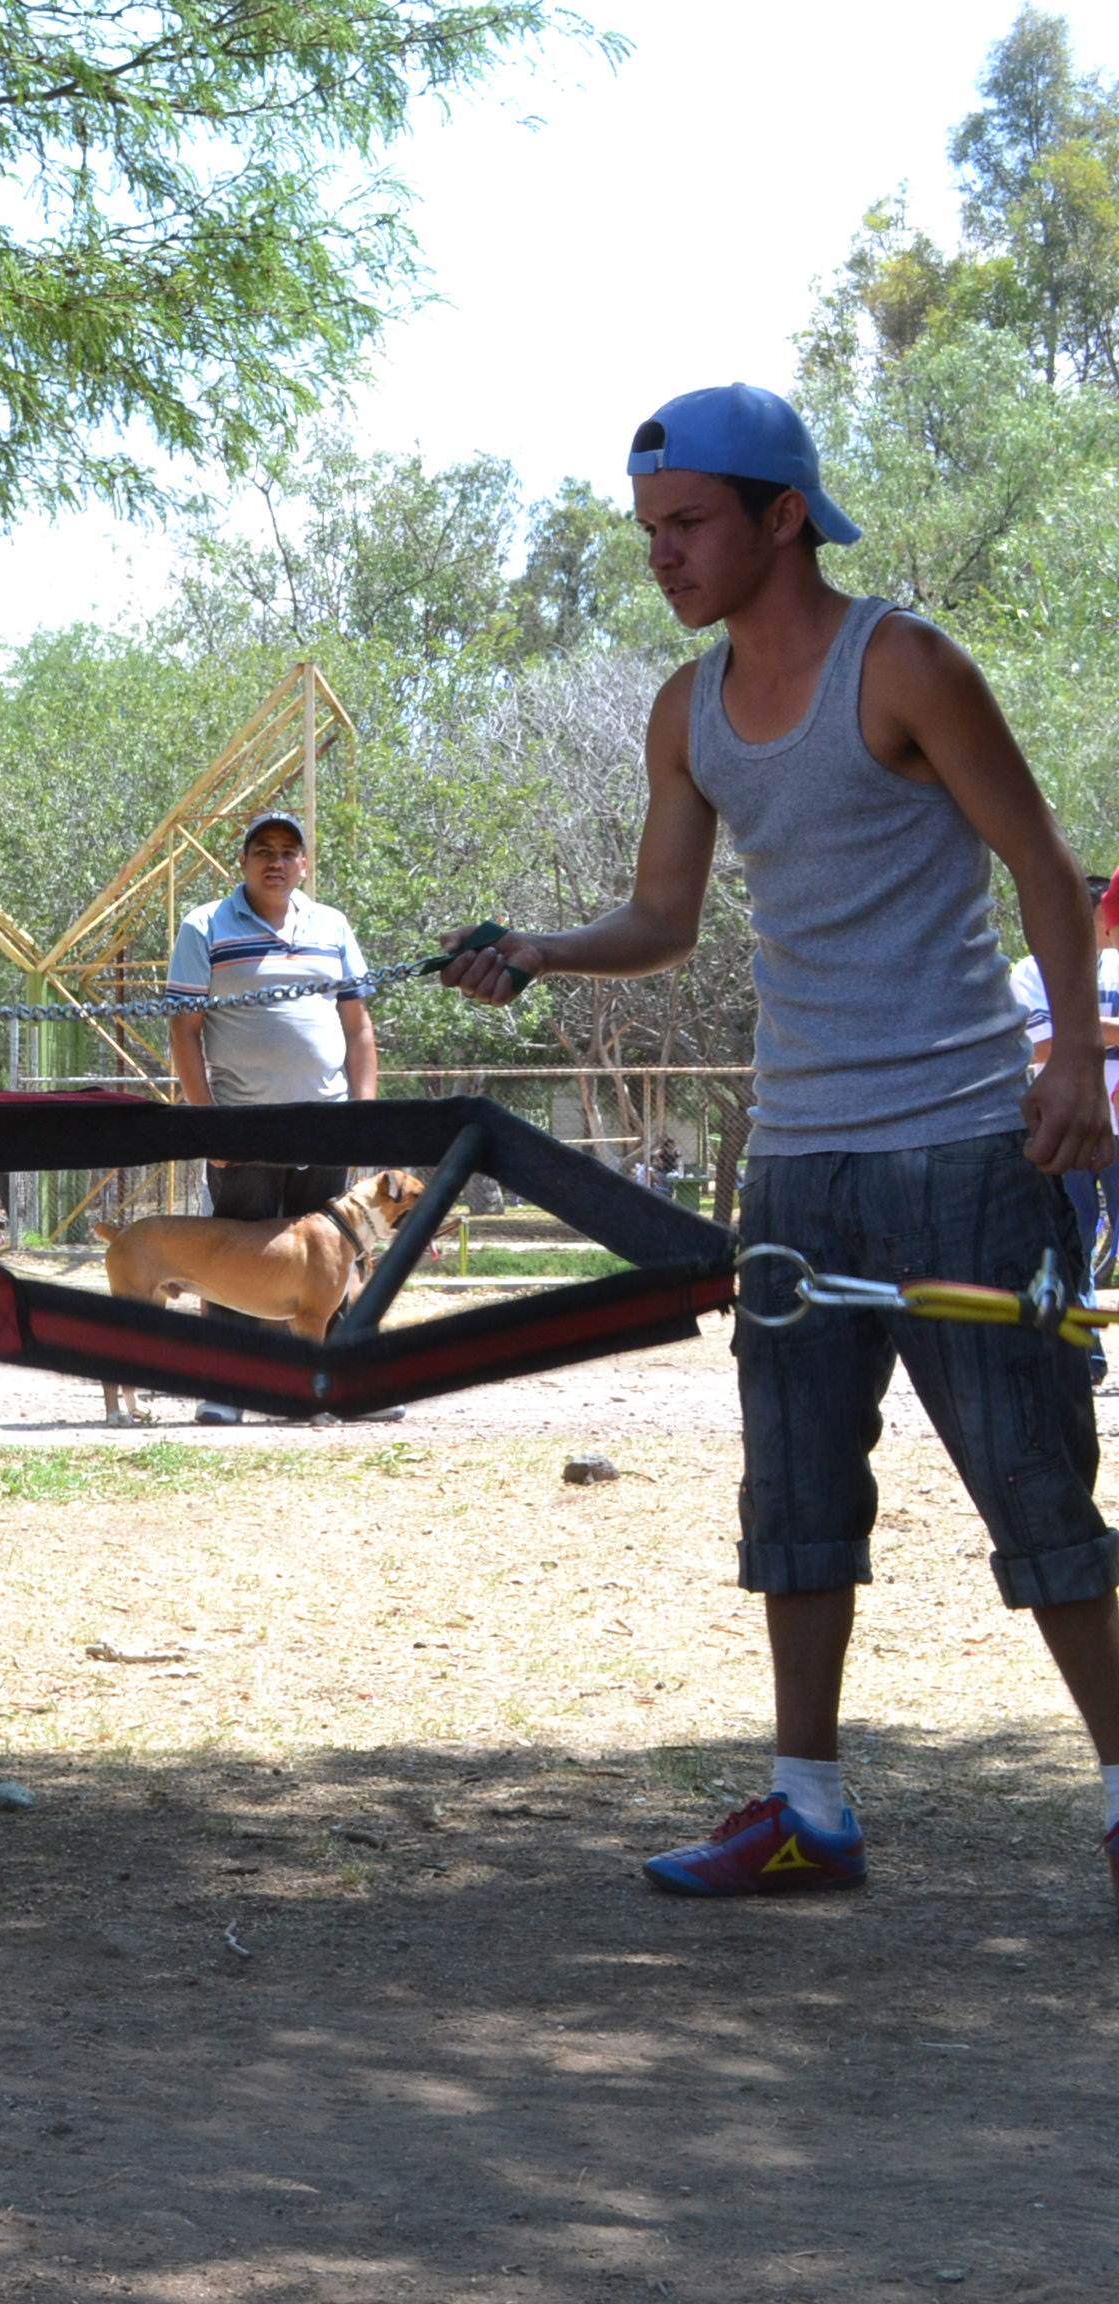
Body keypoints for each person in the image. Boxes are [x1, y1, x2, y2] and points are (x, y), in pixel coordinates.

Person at [442, 382, 1119, 1906]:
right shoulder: (685, 711)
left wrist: (1073, 1059)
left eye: (688, 526)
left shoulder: (909, 666)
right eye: (650, 533)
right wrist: (537, 951)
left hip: (961, 1140)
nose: (664, 557)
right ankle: (808, 1807)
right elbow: (664, 924)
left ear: (782, 515)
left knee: (1032, 1480)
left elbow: (1046, 862)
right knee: (795, 1489)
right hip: (799, 1164)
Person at [165, 809, 380, 1423]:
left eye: (290, 851)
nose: (276, 861)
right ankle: (231, 1390)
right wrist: (207, 1124)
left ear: (305, 864)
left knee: (330, 1259)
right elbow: (184, 1032)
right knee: (235, 1256)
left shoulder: (332, 925)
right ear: (244, 862)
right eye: (263, 849)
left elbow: (358, 1025)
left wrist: (364, 1117)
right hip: (242, 1124)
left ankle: (327, 1387)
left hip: (326, 1123)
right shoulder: (203, 926)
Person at [1012, 871, 1119, 1372]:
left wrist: (1082, 1031)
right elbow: (1034, 1045)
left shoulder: (1116, 965)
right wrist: (1096, 1032)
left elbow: (1060, 1037)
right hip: (1065, 1123)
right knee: (1071, 1240)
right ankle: (1087, 1352)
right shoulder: (1030, 973)